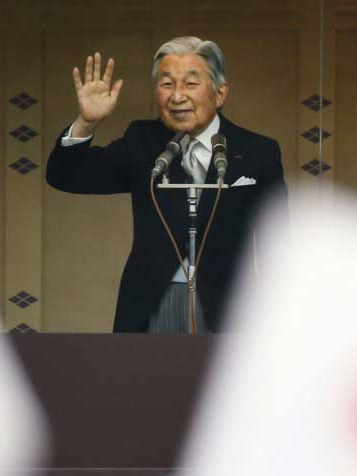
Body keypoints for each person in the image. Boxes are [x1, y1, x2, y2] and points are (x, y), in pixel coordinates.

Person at [47, 36, 287, 333]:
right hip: (152, 304)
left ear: (220, 92)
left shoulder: (257, 152)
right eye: (166, 84)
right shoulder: (142, 141)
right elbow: (66, 175)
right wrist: (86, 122)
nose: (177, 96)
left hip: (230, 308)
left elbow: (279, 241)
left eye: (190, 84)